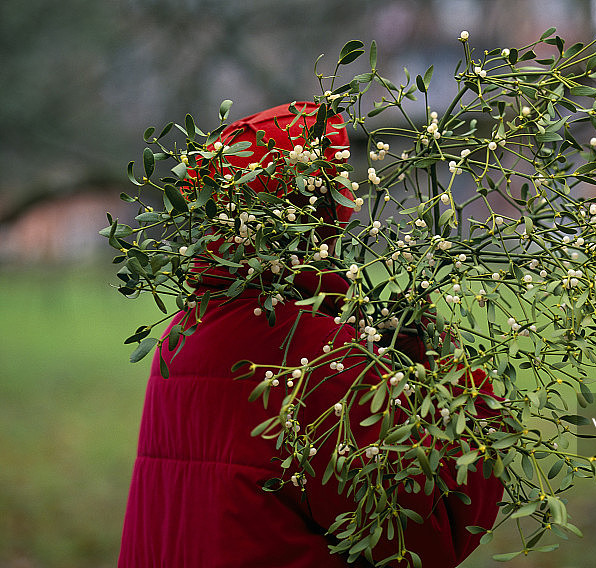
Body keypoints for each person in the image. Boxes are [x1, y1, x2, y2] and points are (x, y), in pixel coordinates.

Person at [118, 102, 503, 567]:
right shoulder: (320, 360)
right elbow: (424, 541)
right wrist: (457, 387)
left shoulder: (180, 336)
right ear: (317, 211)